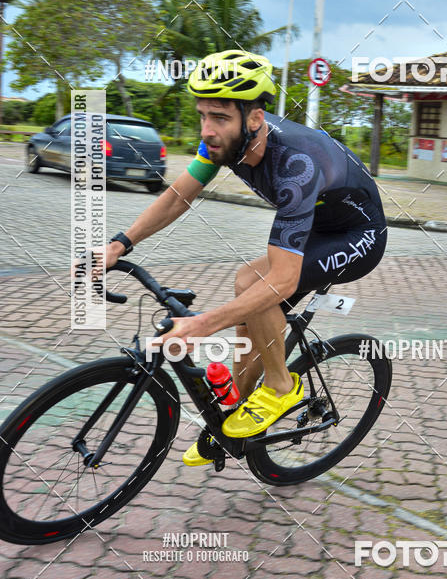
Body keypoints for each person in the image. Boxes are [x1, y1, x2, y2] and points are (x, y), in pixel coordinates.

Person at [103, 50, 387, 466]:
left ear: (254, 119)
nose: (208, 130)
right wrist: (119, 243)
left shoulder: (296, 164)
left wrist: (201, 324)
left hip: (357, 235)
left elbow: (285, 281)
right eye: (203, 115)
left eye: (219, 117)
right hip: (316, 225)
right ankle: (235, 411)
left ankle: (280, 386)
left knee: (263, 287)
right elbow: (178, 195)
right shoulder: (225, 145)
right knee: (245, 284)